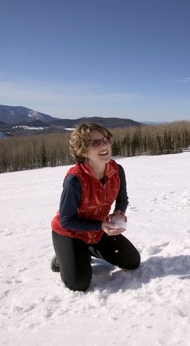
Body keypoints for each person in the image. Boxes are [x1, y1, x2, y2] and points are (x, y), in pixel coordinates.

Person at [50, 123, 140, 291]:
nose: (104, 145)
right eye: (96, 143)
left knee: (132, 261)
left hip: (98, 231)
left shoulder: (117, 170)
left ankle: (87, 250)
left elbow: (122, 198)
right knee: (79, 283)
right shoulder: (74, 180)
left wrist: (119, 213)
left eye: (105, 140)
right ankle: (62, 258)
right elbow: (66, 220)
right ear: (83, 151)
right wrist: (100, 225)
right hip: (69, 233)